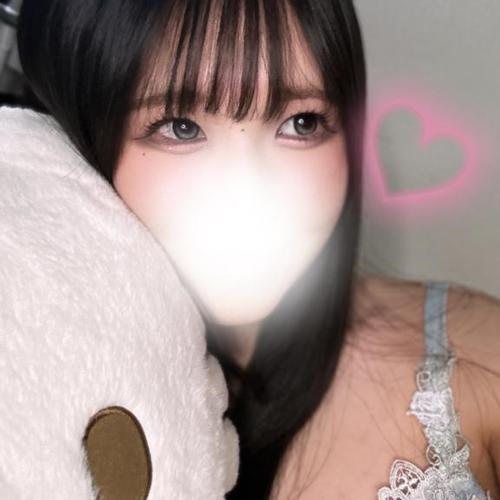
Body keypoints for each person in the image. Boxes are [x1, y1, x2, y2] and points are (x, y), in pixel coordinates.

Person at [16, 0, 500, 498]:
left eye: (302, 123)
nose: (248, 192)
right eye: (181, 126)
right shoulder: (25, 393)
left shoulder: (478, 358)